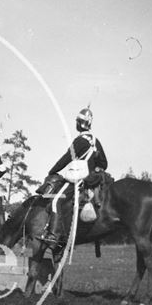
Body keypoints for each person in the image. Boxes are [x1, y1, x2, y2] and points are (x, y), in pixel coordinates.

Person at [37, 106, 108, 247]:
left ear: (80, 124)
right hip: (92, 181)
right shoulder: (95, 141)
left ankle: (53, 235)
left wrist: (52, 171)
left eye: (77, 122)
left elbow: (66, 159)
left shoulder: (79, 141)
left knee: (56, 201)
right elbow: (104, 164)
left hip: (79, 180)